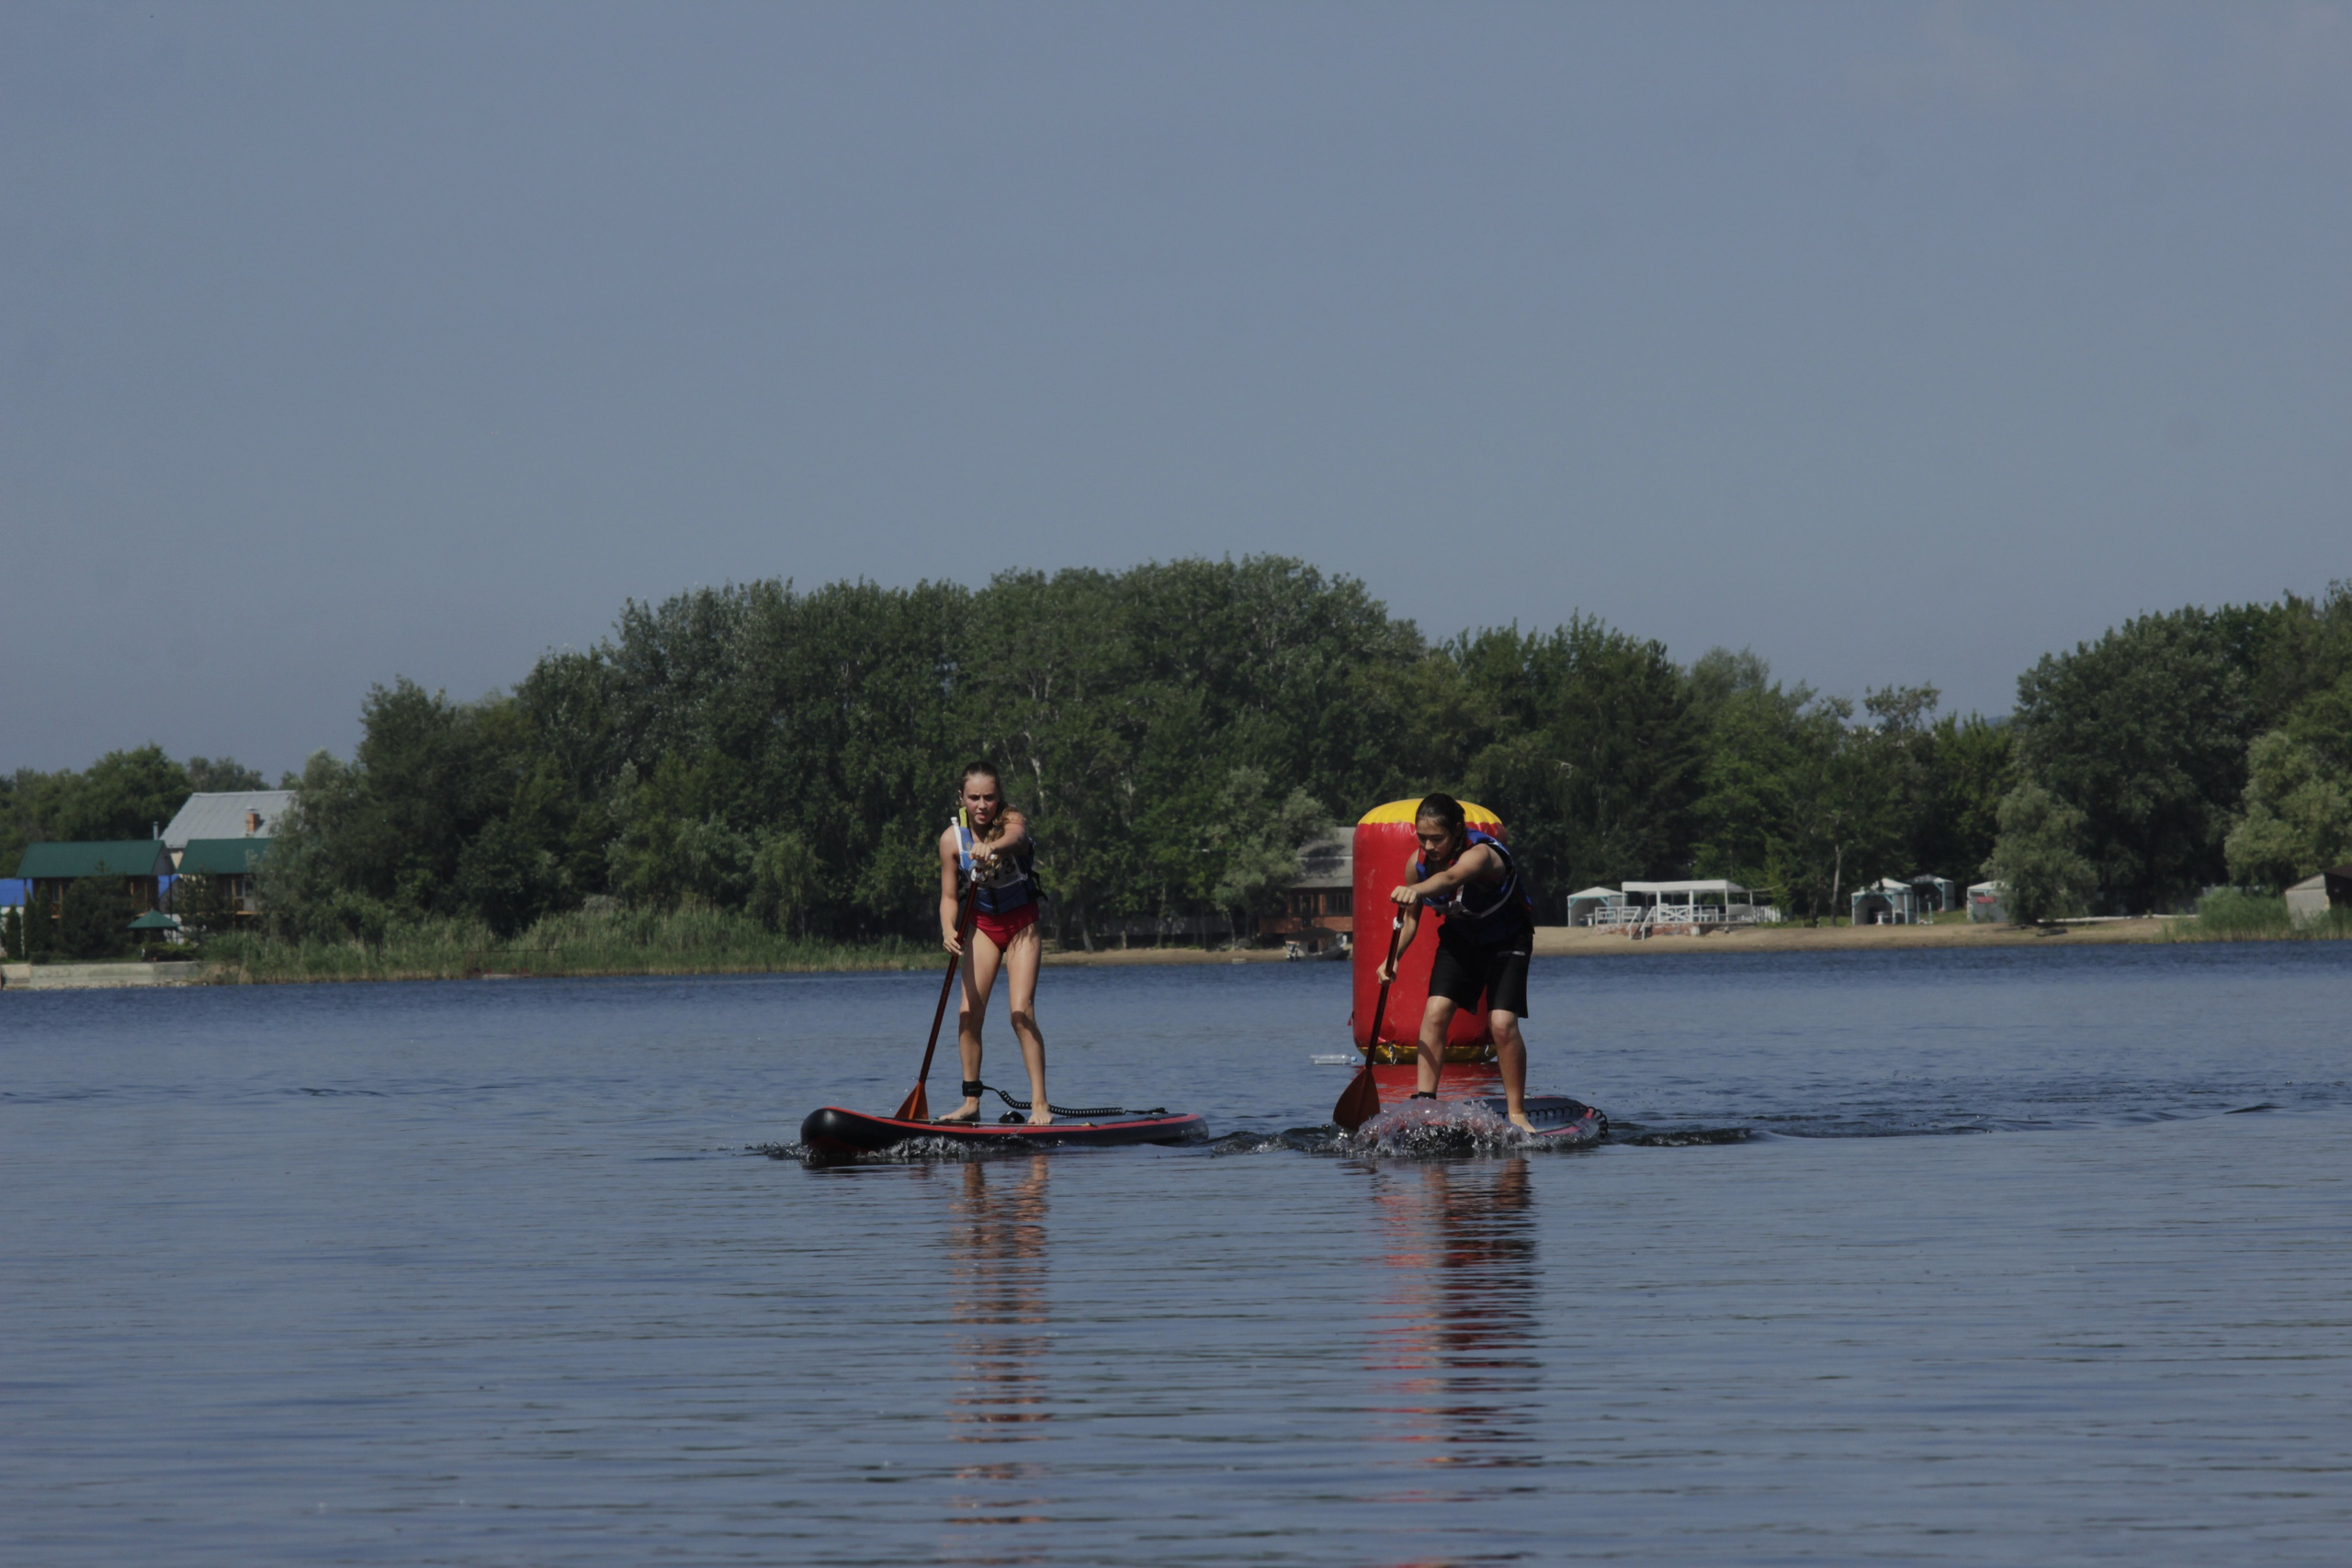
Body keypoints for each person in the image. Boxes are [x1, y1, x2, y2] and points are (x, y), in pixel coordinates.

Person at [1377, 793, 1538, 1133]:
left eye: (1437, 838)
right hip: (1462, 939)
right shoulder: (1417, 864)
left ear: (1456, 831)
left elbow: (1450, 880)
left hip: (1507, 940)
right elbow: (1410, 922)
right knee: (1434, 1013)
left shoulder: (1480, 854)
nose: (1429, 846)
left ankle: (1517, 1114)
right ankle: (1425, 1104)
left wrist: (1418, 889)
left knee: (1501, 1024)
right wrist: (1392, 960)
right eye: (1421, 837)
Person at [934, 761, 1051, 1126]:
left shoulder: (1010, 820)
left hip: (1021, 926)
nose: (982, 805)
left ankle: (1040, 1104)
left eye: (989, 797)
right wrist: (947, 929)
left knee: (1020, 1012)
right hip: (983, 926)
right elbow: (950, 896)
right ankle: (971, 1102)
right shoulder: (951, 840)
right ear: (961, 799)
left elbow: (1017, 839)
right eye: (974, 798)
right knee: (968, 1013)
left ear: (998, 797)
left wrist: (993, 847)